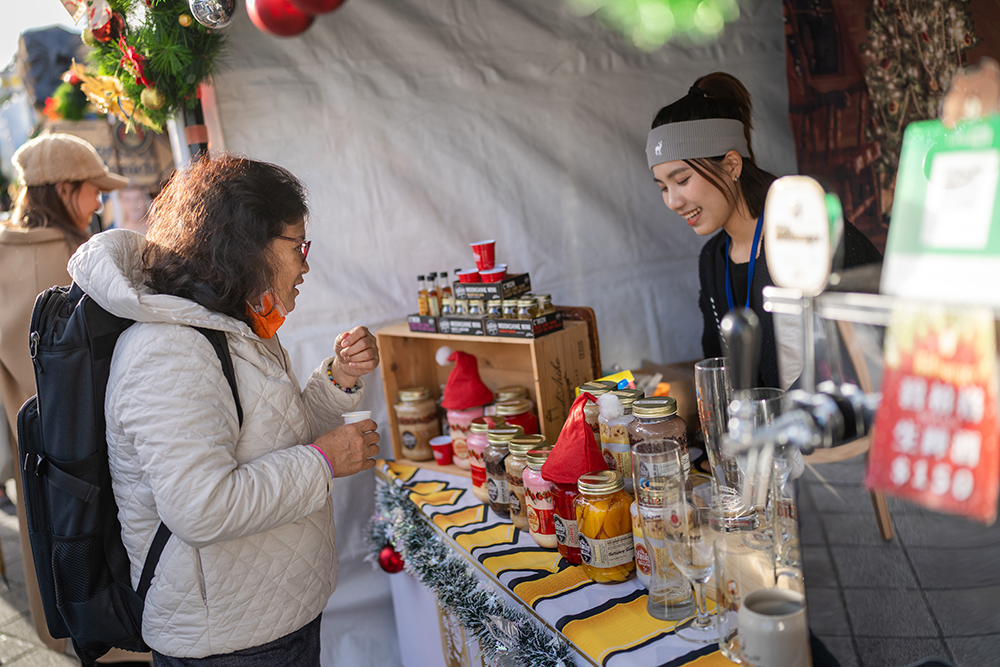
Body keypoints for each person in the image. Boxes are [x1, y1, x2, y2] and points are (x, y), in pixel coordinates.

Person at [67, 154, 381, 666]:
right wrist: (324, 461)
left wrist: (337, 380)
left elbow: (277, 437)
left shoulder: (231, 326)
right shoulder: (170, 350)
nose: (305, 263)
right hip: (228, 644)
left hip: (269, 617)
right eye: (296, 246)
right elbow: (202, 506)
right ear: (245, 248)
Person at [646, 72, 883, 389]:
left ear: (732, 165)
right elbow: (719, 365)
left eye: (682, 180)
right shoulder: (713, 259)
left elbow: (878, 334)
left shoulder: (803, 234)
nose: (673, 201)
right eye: (663, 187)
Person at [0, 132, 129, 654]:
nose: (99, 200)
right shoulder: (85, 264)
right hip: (100, 458)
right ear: (64, 189)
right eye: (93, 188)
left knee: (61, 585)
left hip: (34, 464)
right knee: (115, 589)